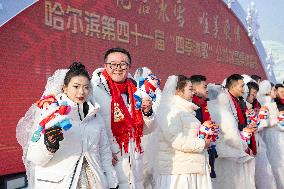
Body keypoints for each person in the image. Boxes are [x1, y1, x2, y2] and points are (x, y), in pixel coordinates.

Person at [17, 62, 118, 189]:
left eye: (86, 87)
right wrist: (49, 146)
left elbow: (104, 152)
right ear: (64, 88)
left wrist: (111, 182)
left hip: (94, 183)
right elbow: (34, 157)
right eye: (76, 86)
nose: (81, 92)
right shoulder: (51, 114)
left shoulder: (95, 116)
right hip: (59, 184)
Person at [91, 48, 155, 189]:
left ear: (129, 66)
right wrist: (103, 152)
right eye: (113, 64)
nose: (118, 69)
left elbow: (146, 130)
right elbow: (87, 127)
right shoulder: (94, 90)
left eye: (123, 64)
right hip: (108, 161)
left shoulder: (136, 90)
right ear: (105, 65)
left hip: (133, 158)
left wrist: (148, 112)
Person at [155, 75, 212, 189]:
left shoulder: (185, 110)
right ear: (178, 91)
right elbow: (176, 140)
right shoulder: (172, 111)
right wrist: (202, 144)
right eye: (190, 89)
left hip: (189, 167)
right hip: (179, 172)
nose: (193, 92)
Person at [208, 74, 256, 189]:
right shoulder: (224, 105)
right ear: (232, 87)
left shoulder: (239, 100)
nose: (244, 89)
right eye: (242, 86)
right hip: (229, 149)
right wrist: (243, 144)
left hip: (234, 146)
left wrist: (247, 127)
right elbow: (230, 130)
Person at [133, 67, 161, 189]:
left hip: (149, 135)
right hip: (140, 138)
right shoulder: (135, 92)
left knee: (147, 174)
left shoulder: (156, 95)